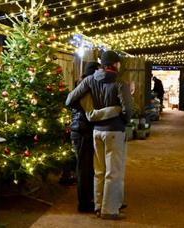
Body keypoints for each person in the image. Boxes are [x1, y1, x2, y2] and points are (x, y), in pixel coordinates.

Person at [66, 51, 132, 220]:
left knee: (99, 171)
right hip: (114, 131)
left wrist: (91, 112)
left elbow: (69, 100)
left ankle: (97, 205)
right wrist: (119, 117)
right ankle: (109, 210)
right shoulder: (120, 83)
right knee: (113, 171)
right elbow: (127, 111)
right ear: (115, 64)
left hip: (96, 131)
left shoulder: (89, 80)